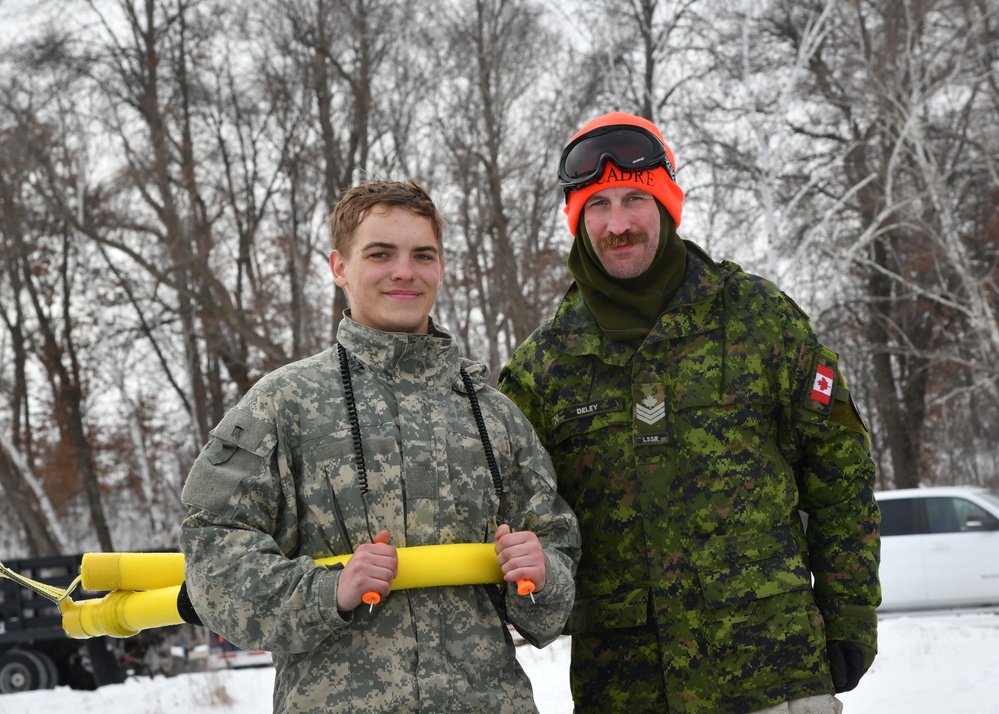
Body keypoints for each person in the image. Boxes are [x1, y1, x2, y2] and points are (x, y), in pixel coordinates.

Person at [498, 112, 881, 714]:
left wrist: (851, 612)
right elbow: (518, 520)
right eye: (596, 204)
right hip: (626, 690)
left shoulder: (760, 319)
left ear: (668, 204)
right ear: (576, 219)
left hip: (774, 674)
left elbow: (841, 476)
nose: (618, 224)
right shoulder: (543, 367)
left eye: (635, 198)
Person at [179, 179, 580, 713]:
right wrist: (330, 591)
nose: (404, 272)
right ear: (339, 267)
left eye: (423, 255)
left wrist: (544, 573)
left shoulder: (492, 413)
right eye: (380, 253)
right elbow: (212, 555)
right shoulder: (282, 405)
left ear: (441, 267)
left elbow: (556, 561)